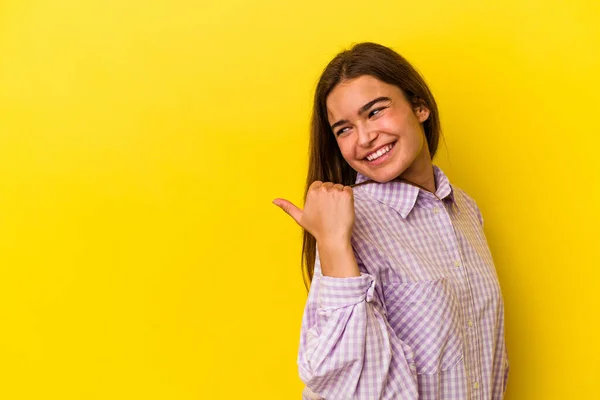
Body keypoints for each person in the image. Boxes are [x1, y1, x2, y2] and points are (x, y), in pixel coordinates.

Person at [273, 42, 509, 400]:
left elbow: (485, 354)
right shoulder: (348, 221)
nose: (365, 138)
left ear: (420, 107)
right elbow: (349, 385)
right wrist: (333, 243)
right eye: (344, 129)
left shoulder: (465, 209)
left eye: (375, 112)